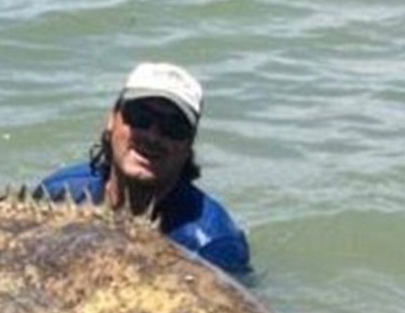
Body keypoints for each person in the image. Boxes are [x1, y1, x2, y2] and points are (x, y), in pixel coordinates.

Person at [38, 62, 251, 277]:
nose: (152, 136)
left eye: (173, 127)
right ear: (112, 119)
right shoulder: (55, 195)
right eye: (140, 117)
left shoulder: (213, 245)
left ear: (189, 145)